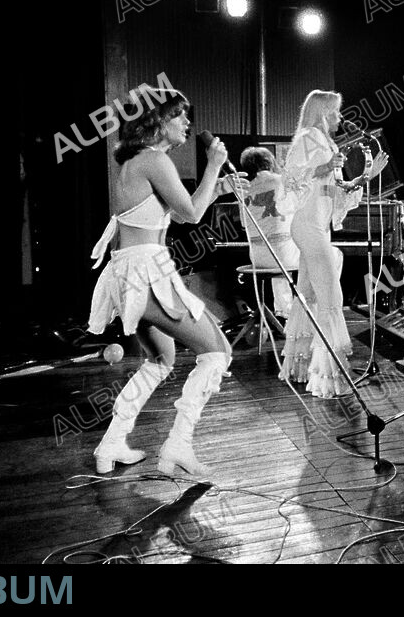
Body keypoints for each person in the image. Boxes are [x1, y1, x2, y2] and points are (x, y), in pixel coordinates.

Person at [88, 84, 248, 477]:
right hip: (147, 271)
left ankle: (111, 443)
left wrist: (221, 186)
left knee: (161, 360)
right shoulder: (154, 159)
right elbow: (192, 214)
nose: (188, 123)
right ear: (156, 119)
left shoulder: (137, 161)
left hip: (132, 269)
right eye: (179, 115)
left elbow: (177, 214)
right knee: (218, 351)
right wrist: (213, 167)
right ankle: (178, 445)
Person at [278, 91, 388, 398]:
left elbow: (337, 189)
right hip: (308, 226)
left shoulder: (327, 143)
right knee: (331, 299)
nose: (341, 118)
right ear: (324, 112)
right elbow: (292, 179)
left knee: (310, 295)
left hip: (318, 226)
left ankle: (300, 368)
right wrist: (325, 168)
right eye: (337, 113)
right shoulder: (307, 138)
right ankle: (331, 377)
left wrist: (367, 176)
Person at [238, 147, 298, 319]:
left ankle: (283, 312)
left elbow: (244, 224)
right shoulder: (283, 182)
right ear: (271, 162)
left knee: (280, 261)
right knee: (316, 253)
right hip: (284, 254)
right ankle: (303, 311)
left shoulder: (244, 190)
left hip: (258, 257)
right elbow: (299, 207)